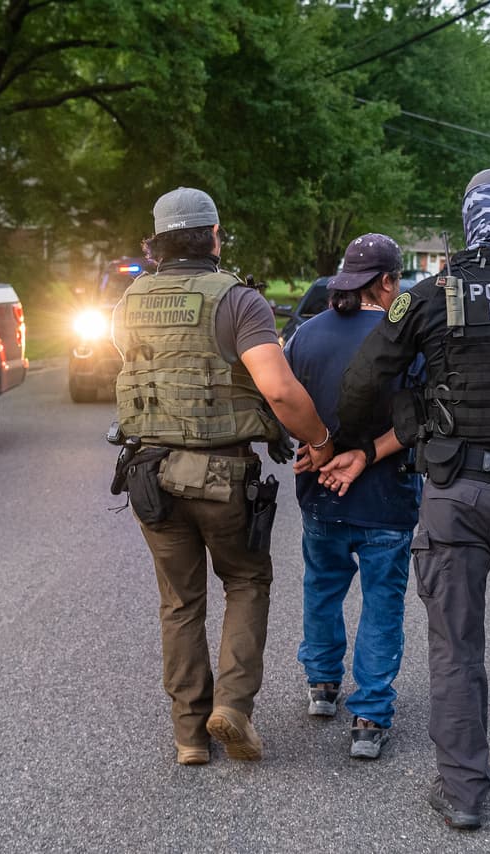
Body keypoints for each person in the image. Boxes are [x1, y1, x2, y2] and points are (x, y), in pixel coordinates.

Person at [331, 168, 490, 830]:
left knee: (454, 641)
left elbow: (364, 378)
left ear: (466, 221)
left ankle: (465, 791)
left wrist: (349, 439)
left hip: (455, 495)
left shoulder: (428, 295)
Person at [111, 186, 334, 766]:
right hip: (223, 476)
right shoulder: (238, 300)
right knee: (245, 580)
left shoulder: (128, 301)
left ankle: (189, 736)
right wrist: (322, 442)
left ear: (157, 243)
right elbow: (280, 390)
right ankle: (232, 709)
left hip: (149, 476)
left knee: (180, 604)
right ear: (213, 236)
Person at [283, 233, 421, 760]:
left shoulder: (306, 335)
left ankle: (321, 686)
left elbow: (281, 399)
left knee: (322, 588)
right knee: (382, 605)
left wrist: (314, 446)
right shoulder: (405, 339)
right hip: (387, 496)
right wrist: (366, 453)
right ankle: (369, 715)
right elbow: (419, 421)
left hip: (321, 494)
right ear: (386, 282)